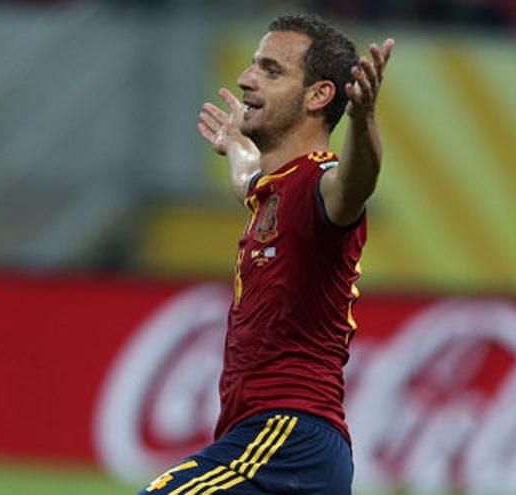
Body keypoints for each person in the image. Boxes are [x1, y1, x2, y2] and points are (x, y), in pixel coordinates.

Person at [137, 13, 393, 495]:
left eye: (271, 70)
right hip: (276, 445)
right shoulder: (273, 192)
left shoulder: (322, 185)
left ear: (319, 96)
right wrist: (235, 146)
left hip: (286, 439)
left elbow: (357, 183)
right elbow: (246, 182)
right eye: (254, 65)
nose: (245, 78)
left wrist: (364, 122)